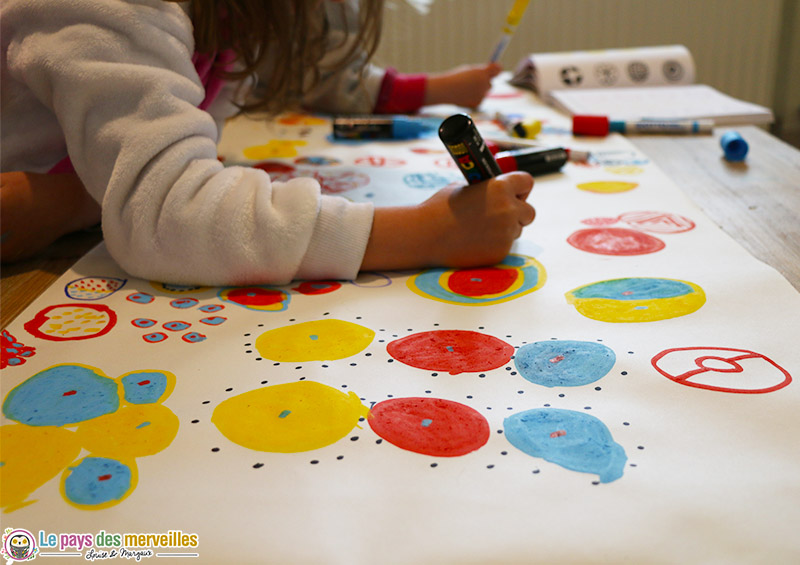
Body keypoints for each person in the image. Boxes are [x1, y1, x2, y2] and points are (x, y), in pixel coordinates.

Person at [1, 0, 535, 285]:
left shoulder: (238, 16)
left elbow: (314, 72)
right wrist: (426, 232)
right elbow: (166, 214)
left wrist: (85, 198)